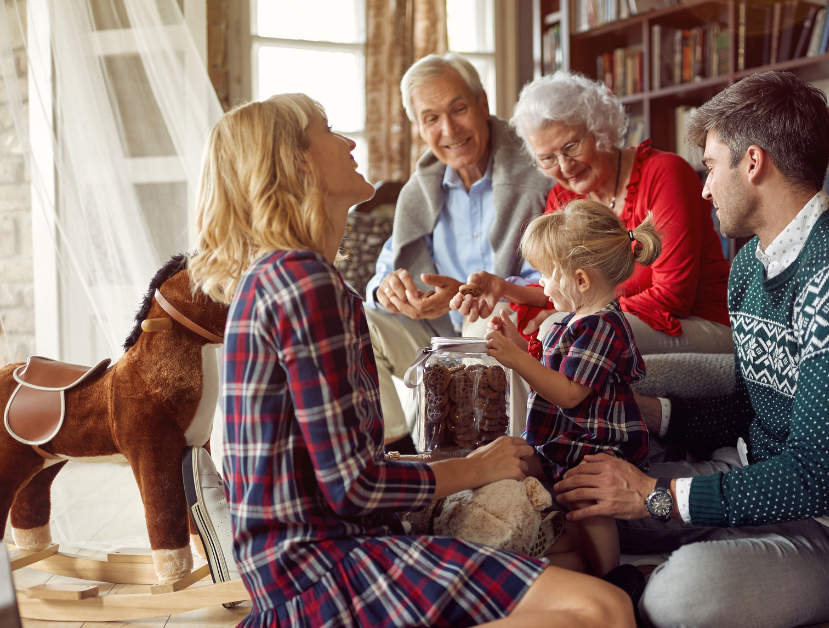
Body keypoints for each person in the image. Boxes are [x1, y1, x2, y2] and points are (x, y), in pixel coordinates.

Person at [188, 93, 633, 628]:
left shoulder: (280, 276)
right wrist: (474, 468)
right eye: (328, 130)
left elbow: (338, 470)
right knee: (602, 608)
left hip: (297, 562)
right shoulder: (303, 283)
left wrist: (448, 466)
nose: (349, 142)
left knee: (575, 577)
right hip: (321, 572)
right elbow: (353, 487)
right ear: (296, 162)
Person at [551, 72, 829, 628]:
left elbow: (819, 476)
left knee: (677, 597)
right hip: (749, 471)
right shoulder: (749, 265)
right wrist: (651, 413)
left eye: (710, 166)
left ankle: (675, 565)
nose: (703, 188)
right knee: (580, 508)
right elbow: (751, 407)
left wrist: (656, 496)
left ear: (752, 163)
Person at [451, 72, 731, 355]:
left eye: (571, 146)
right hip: (616, 316)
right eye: (548, 158)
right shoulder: (563, 197)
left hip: (695, 322)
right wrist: (503, 288)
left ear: (600, 129)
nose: (564, 165)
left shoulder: (665, 174)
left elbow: (671, 298)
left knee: (560, 332)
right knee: (490, 322)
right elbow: (562, 288)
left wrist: (570, 317)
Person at [363, 53, 554, 445]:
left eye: (459, 109)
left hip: (505, 329)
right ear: (419, 127)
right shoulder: (421, 189)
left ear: (483, 104)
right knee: (359, 321)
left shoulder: (536, 171)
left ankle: (495, 458)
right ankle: (399, 454)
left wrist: (469, 296)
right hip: (435, 339)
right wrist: (389, 290)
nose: (448, 129)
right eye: (431, 118)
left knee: (489, 318)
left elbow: (556, 276)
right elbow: (384, 272)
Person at [483, 200, 662, 579]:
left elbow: (568, 393)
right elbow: (553, 368)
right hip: (565, 437)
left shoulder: (603, 325)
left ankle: (612, 576)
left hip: (594, 444)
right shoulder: (574, 320)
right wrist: (519, 346)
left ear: (580, 280)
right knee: (511, 463)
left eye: (546, 274)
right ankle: (554, 546)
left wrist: (518, 362)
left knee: (588, 499)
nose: (542, 285)